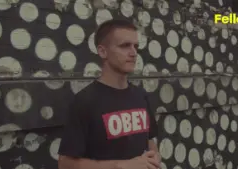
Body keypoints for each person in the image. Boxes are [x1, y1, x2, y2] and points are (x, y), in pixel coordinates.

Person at [57, 19, 161, 169]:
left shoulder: (141, 95)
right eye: (125, 46)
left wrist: (155, 157)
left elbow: (150, 140)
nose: (133, 53)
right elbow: (65, 164)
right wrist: (122, 166)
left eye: (135, 46)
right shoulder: (85, 101)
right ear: (102, 51)